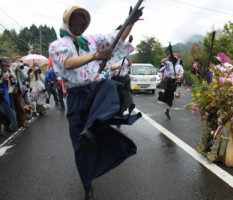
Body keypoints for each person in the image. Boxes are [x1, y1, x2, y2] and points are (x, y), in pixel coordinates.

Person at [49, 6, 143, 200]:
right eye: (76, 20)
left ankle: (92, 126)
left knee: (110, 86)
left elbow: (116, 37)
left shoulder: (91, 41)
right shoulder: (57, 45)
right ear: (67, 22)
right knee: (80, 148)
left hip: (95, 88)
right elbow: (67, 63)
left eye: (83, 22)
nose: (80, 24)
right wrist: (95, 56)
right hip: (75, 96)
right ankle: (87, 186)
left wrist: (130, 21)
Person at [158, 54, 184, 120]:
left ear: (178, 59)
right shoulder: (169, 63)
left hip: (173, 81)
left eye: (176, 58)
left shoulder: (180, 66)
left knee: (170, 99)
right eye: (173, 58)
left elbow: (181, 75)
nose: (174, 60)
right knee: (163, 82)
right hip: (167, 78)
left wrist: (177, 77)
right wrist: (168, 57)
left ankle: (167, 111)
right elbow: (162, 61)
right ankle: (162, 93)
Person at [0, 57, 18, 132]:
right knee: (1, 112)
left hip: (9, 94)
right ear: (1, 66)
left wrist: (14, 78)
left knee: (10, 111)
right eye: (5, 66)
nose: (7, 67)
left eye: (8, 65)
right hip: (1, 95)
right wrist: (2, 79)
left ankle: (8, 126)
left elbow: (14, 83)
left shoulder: (10, 72)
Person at [10, 59, 29, 128]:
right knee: (12, 107)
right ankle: (13, 122)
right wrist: (13, 69)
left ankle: (22, 121)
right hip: (10, 91)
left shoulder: (19, 71)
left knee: (20, 106)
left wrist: (20, 70)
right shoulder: (11, 69)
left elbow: (26, 77)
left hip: (18, 91)